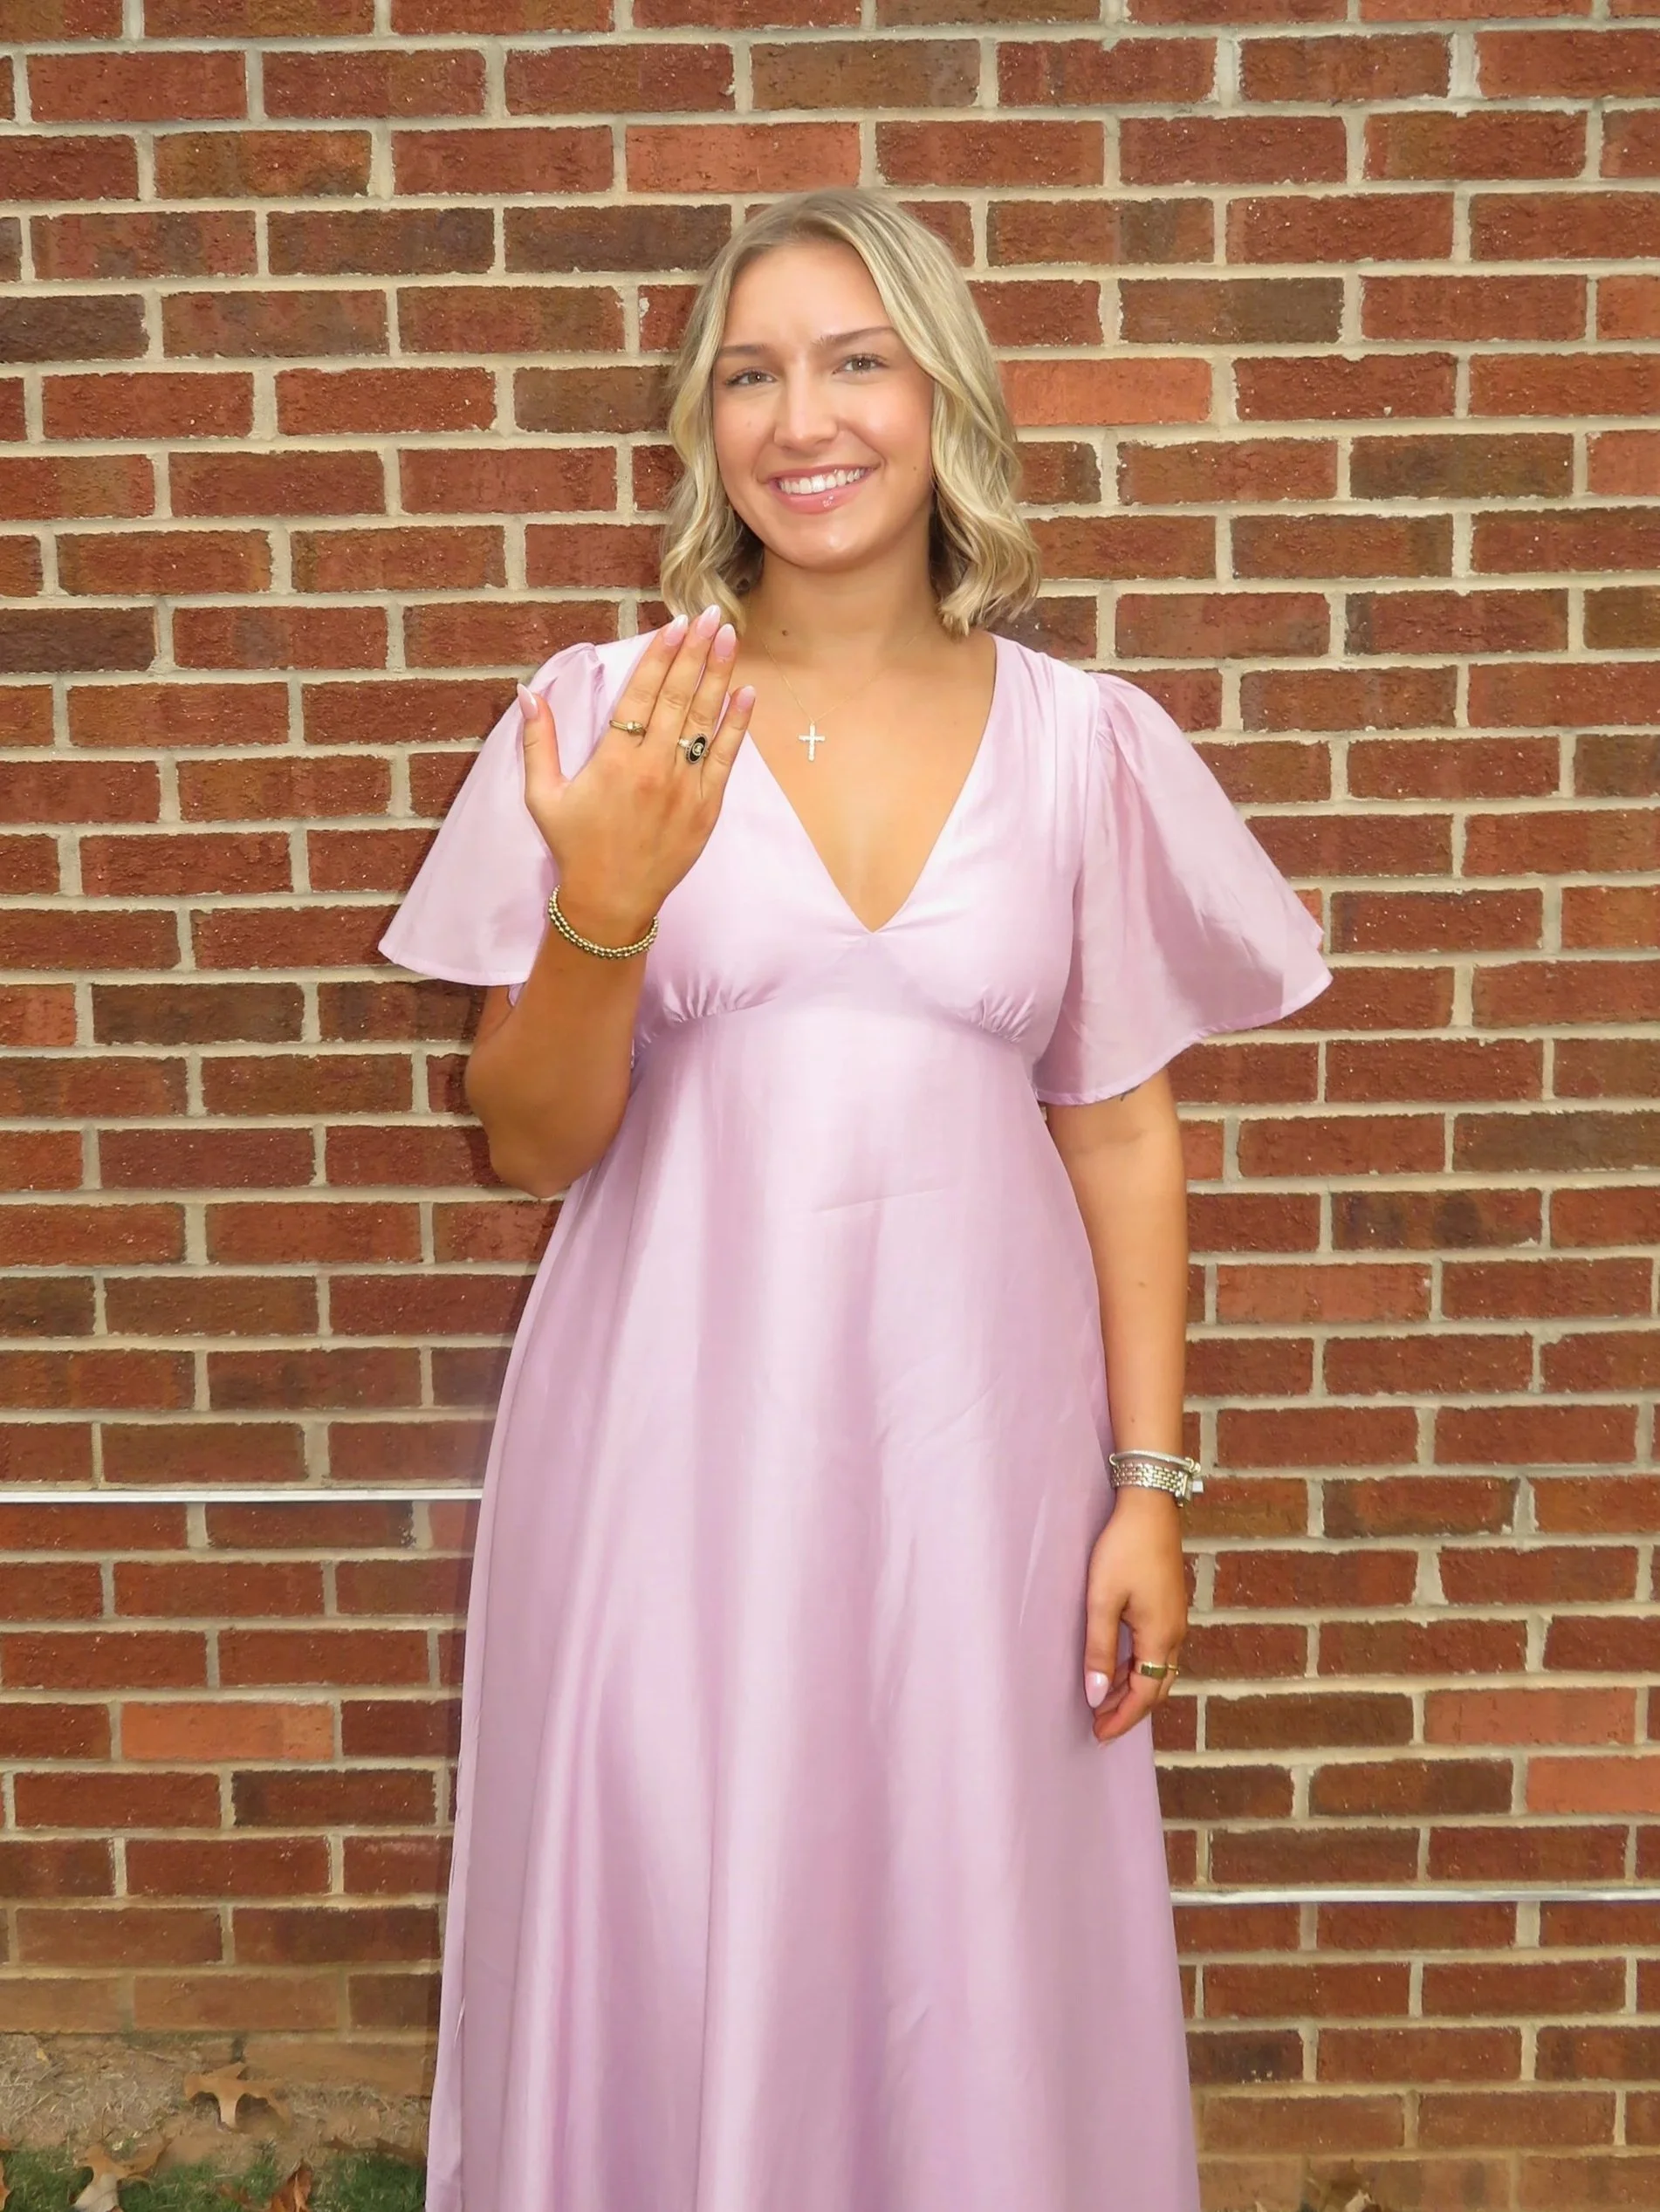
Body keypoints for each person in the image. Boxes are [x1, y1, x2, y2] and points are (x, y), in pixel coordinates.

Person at [380, 186, 1332, 2212]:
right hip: (668, 1452)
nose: (800, 418)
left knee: (960, 1916)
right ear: (701, 427)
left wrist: (1148, 1478)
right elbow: (528, 1139)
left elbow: (1122, 1129)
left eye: (854, 359)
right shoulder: (607, 714)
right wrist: (605, 906)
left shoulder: (1085, 745)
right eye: (749, 372)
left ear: (940, 400)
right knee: (678, 1879)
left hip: (973, 1462)